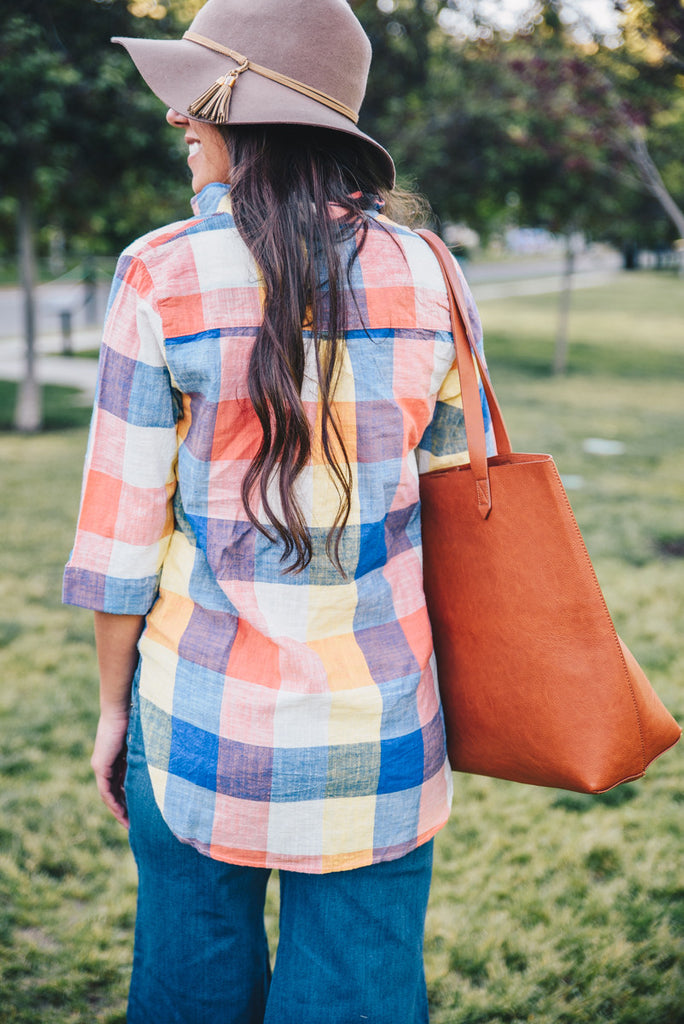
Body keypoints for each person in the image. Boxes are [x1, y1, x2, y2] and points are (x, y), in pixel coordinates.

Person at [63, 1, 494, 1021]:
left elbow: (122, 542)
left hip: (199, 726)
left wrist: (113, 709)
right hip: (383, 728)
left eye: (191, 98)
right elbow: (427, 477)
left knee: (190, 985)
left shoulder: (159, 275)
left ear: (239, 112)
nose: (177, 121)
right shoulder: (430, 273)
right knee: (360, 987)